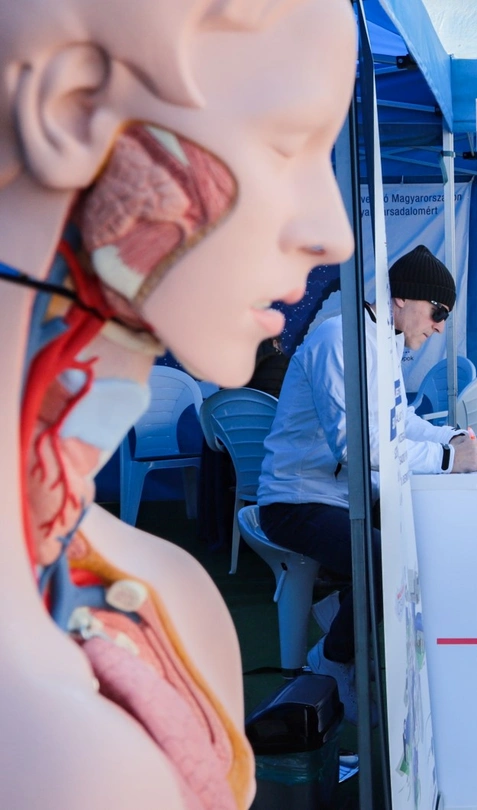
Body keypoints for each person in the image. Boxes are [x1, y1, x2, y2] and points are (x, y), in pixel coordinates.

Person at [0, 1, 356, 807]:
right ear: (69, 110)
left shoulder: (171, 590)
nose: (336, 234)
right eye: (284, 143)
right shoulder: (60, 746)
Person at [257, 245, 477, 722]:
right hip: (295, 500)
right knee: (386, 559)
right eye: (438, 311)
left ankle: (348, 613)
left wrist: (453, 436)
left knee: (419, 538)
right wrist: (447, 458)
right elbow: (358, 448)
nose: (441, 325)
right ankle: (332, 659)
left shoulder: (380, 338)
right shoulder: (341, 340)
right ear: (402, 299)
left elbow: (398, 420)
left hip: (342, 495)